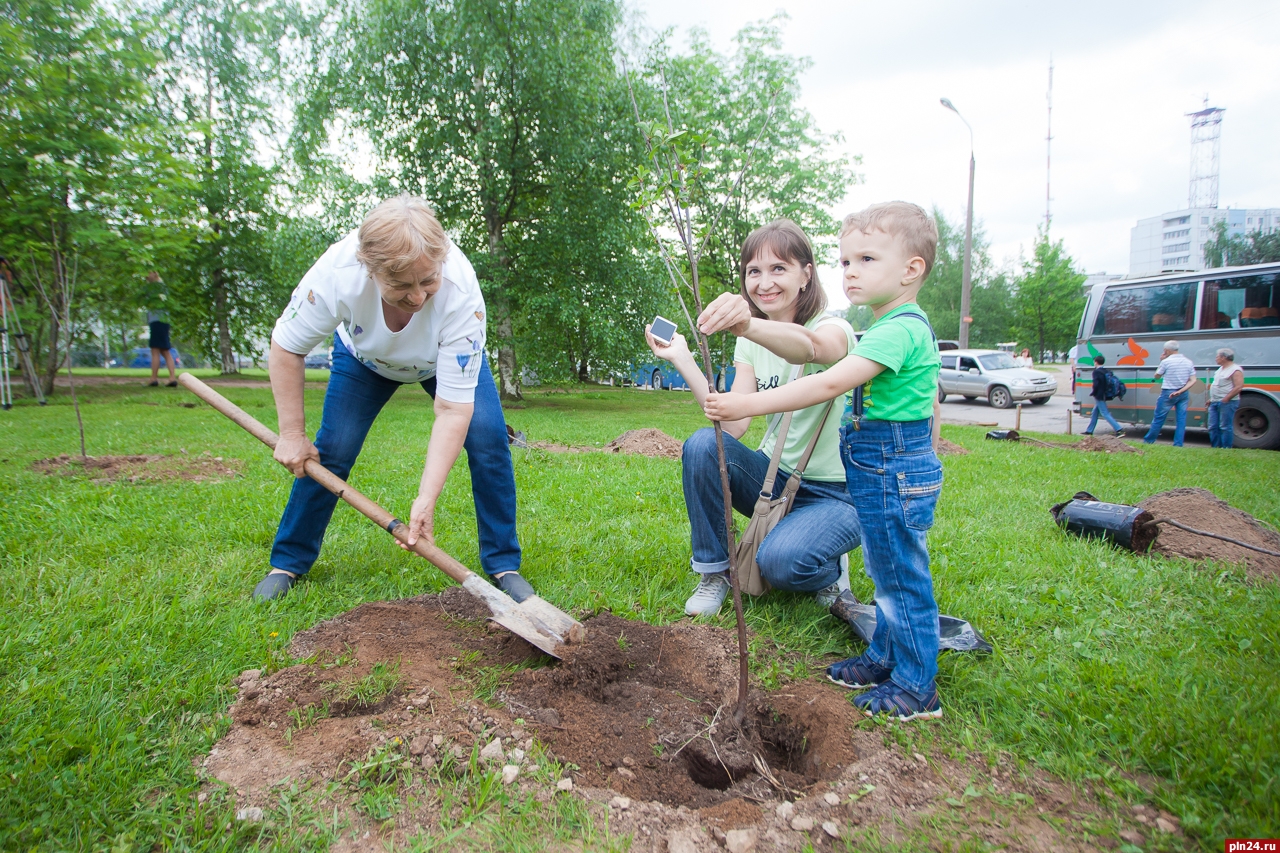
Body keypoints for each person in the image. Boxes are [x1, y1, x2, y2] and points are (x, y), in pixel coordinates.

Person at [704, 201, 944, 722]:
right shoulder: (887, 326)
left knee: (904, 579)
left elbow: (829, 380)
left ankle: (916, 687)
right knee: (885, 572)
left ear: (911, 270)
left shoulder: (900, 329)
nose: (852, 272)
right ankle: (883, 656)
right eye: (847, 261)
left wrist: (746, 404)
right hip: (875, 467)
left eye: (867, 259)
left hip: (895, 469)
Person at [254, 195, 528, 603]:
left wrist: (426, 498)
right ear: (369, 269)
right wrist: (291, 432)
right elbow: (286, 345)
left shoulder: (461, 290)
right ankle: (289, 561)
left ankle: (504, 564)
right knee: (334, 448)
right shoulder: (337, 273)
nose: (417, 297)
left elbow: (453, 410)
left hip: (440, 361)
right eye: (401, 285)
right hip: (365, 360)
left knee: (488, 438)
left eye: (427, 281)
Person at [645, 219, 863, 618]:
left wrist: (747, 324)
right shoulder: (749, 342)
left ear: (806, 275)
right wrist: (683, 359)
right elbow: (733, 424)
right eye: (753, 271)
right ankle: (715, 573)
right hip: (774, 477)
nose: (764, 282)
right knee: (703, 445)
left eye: (779, 268)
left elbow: (811, 348)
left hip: (837, 493)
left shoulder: (835, 328)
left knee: (779, 565)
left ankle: (829, 565)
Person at [1142, 340, 1197, 446]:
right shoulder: (1188, 361)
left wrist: (1161, 361)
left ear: (1166, 350)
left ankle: (1149, 441)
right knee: (1181, 419)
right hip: (1183, 393)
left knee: (1159, 418)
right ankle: (1178, 444)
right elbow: (1193, 380)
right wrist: (1181, 391)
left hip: (1168, 392)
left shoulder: (1166, 362)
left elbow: (1156, 376)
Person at [1207, 347, 1244, 448]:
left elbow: (1238, 387)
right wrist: (1211, 398)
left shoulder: (1235, 370)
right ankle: (1216, 447)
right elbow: (1217, 385)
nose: (1216, 359)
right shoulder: (1220, 369)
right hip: (1215, 401)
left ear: (1224, 357)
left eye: (1217, 356)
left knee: (1225, 426)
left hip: (1228, 402)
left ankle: (1226, 448)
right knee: (1212, 426)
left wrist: (1226, 398)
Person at [146, 280, 177, 387]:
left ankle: (153, 378)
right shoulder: (164, 289)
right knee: (165, 351)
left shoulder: (154, 289)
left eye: (149, 273)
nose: (146, 276)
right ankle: (172, 378)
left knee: (155, 350)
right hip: (164, 322)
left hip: (157, 322)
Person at [1082, 355, 1123, 436]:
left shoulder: (1096, 372)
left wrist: (1094, 392)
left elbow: (1096, 384)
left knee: (1105, 413)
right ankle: (1089, 430)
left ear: (1096, 362)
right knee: (1095, 412)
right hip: (1105, 394)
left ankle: (1119, 429)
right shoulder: (1106, 371)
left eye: (1094, 362)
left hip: (1099, 395)